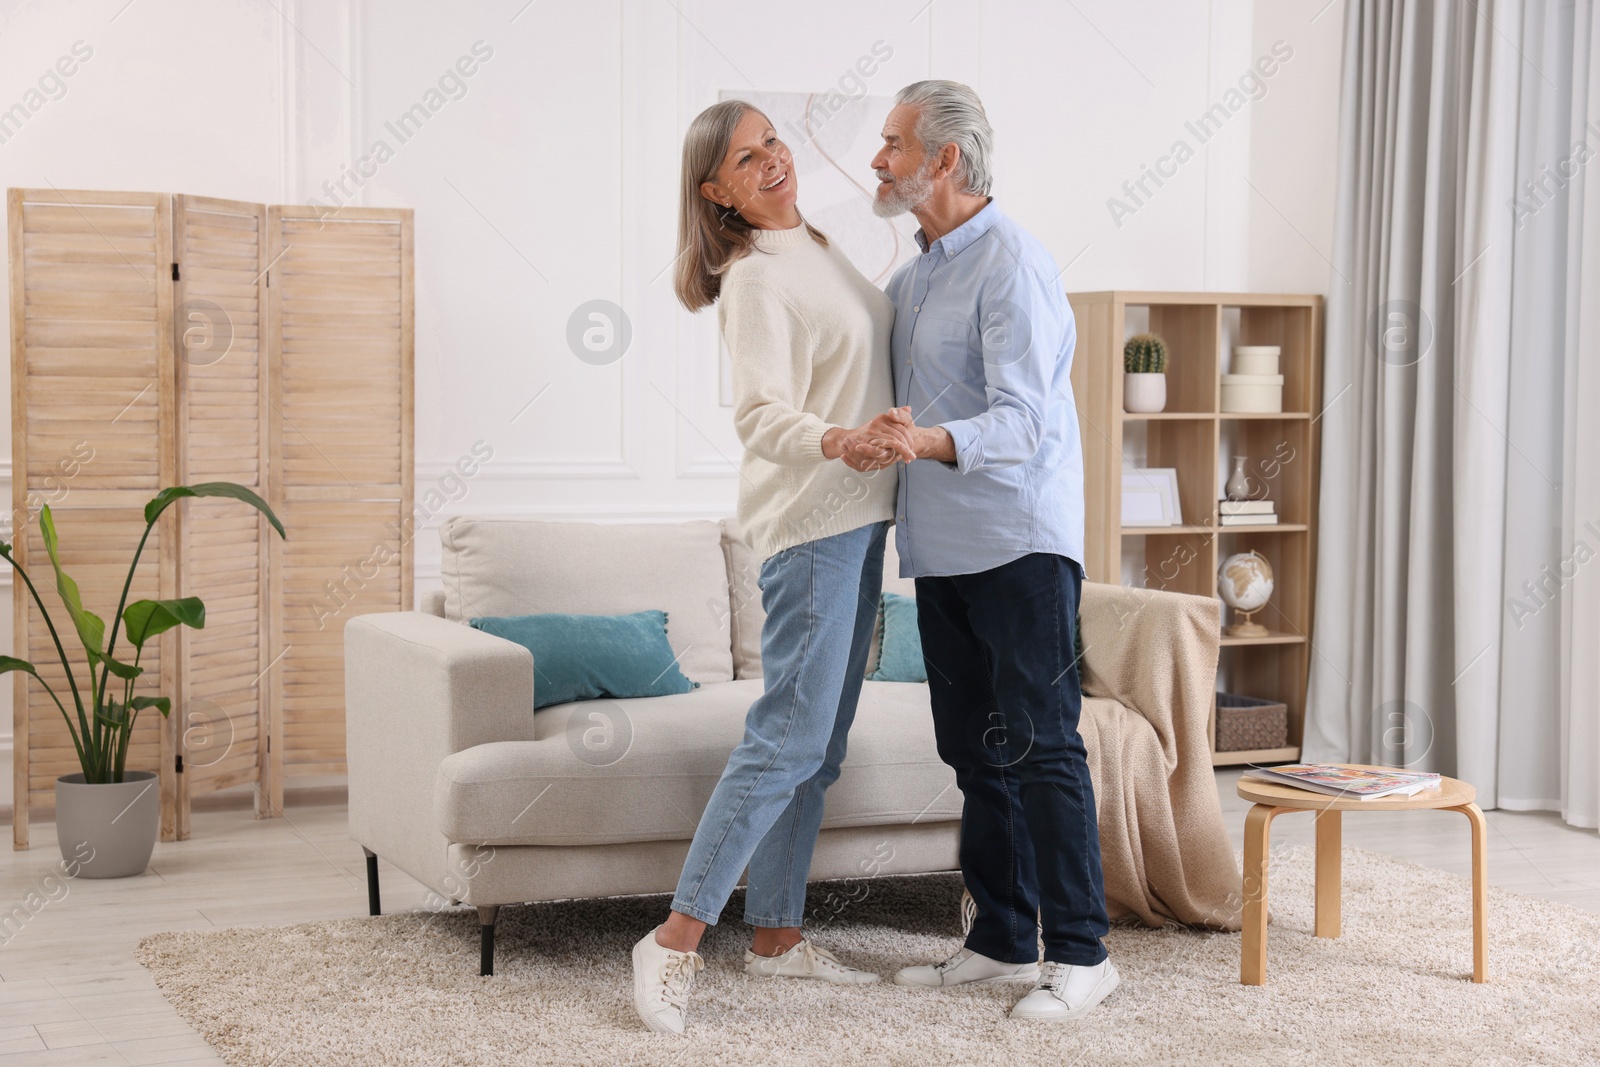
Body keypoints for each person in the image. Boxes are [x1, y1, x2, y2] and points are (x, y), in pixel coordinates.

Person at [630, 99, 913, 1035]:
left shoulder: (821, 248)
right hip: (812, 528)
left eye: (772, 143)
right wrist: (840, 439)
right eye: (746, 161)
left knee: (816, 750)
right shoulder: (753, 280)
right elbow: (758, 415)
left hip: (862, 522)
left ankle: (779, 939)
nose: (772, 163)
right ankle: (673, 940)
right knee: (785, 742)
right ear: (716, 193)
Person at [854, 79, 1119, 1021]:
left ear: (945, 158)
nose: (878, 160)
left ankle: (1083, 954)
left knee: (1044, 745)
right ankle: (1003, 939)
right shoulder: (913, 275)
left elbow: (1023, 420)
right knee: (975, 750)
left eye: (892, 142)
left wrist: (922, 440)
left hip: (1018, 540)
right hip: (946, 548)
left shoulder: (1012, 263)